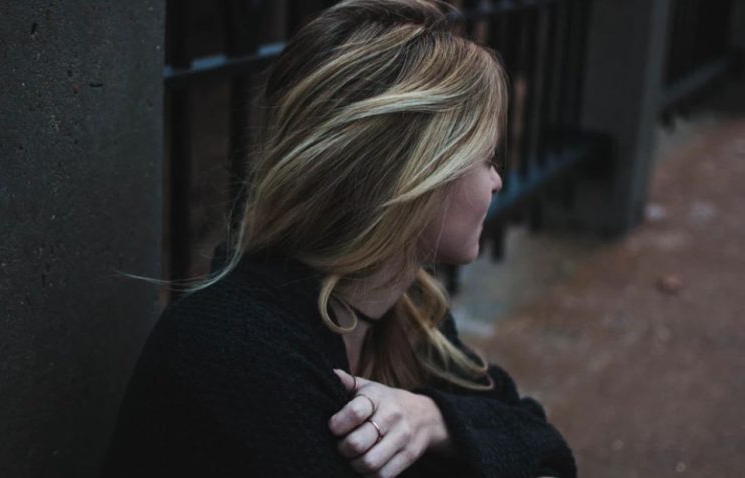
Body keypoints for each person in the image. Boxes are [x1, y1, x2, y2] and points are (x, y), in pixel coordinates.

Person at [101, 0, 577, 476]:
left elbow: (542, 442)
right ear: (416, 172)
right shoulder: (235, 349)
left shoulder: (404, 311)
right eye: (487, 158)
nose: (497, 181)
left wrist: (434, 419)